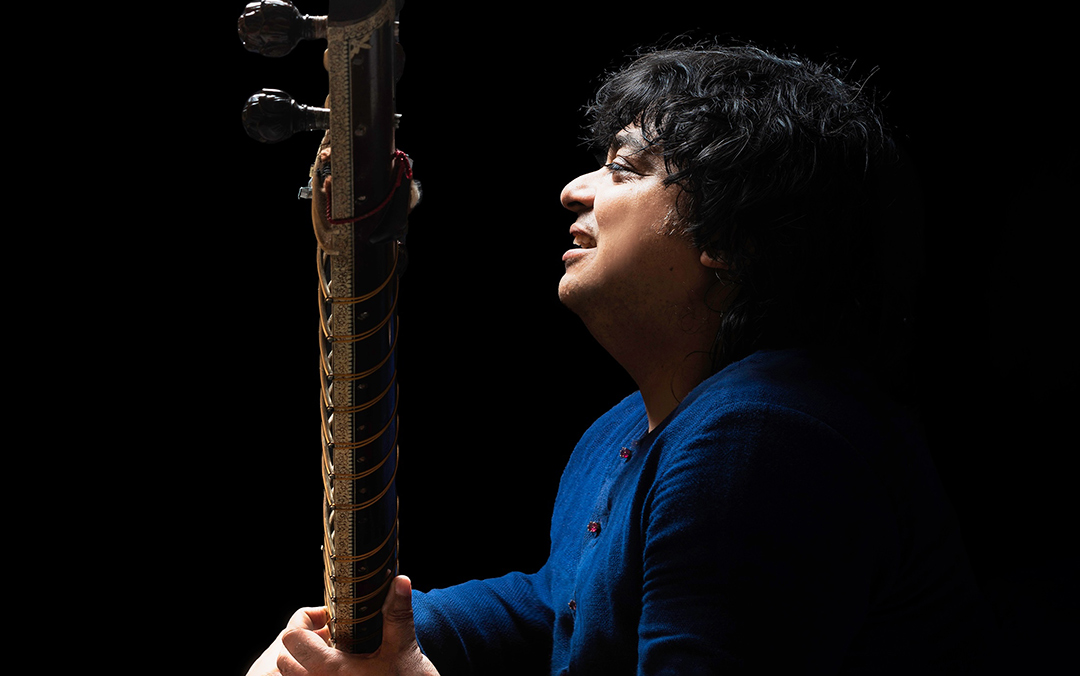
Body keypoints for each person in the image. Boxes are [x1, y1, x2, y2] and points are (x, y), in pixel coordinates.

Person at [247, 42, 994, 675]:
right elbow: (556, 605)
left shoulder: (765, 438)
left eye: (626, 170)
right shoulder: (628, 431)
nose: (574, 190)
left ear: (732, 237)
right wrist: (360, 634)